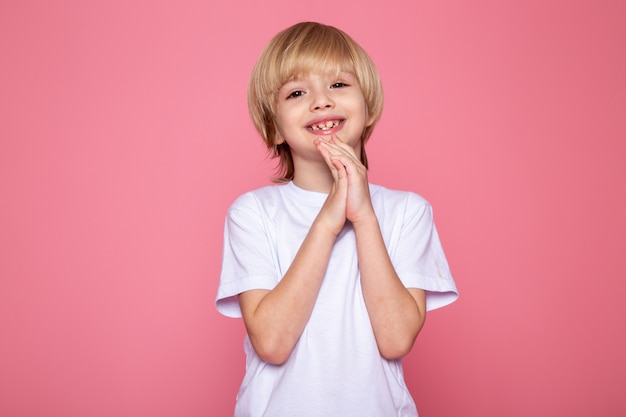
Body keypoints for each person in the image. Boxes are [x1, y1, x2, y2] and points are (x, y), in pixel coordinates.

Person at [216, 21, 458, 417]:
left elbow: (396, 339)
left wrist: (363, 218)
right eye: (297, 92)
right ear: (275, 127)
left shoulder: (408, 212)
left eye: (339, 85)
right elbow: (272, 343)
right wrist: (328, 221)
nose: (321, 101)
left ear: (369, 106)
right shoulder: (253, 213)